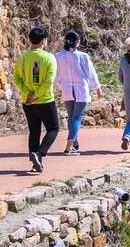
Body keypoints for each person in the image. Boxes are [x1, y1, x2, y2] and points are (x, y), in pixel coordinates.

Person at [12, 25, 59, 173]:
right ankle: (39, 154)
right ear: (44, 41)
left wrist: (28, 93)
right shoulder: (49, 58)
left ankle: (35, 163)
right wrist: (36, 94)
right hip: (45, 100)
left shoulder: (23, 58)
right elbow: (48, 81)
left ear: (30, 40)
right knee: (53, 128)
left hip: (27, 102)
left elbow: (16, 78)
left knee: (34, 131)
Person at [55, 30, 102, 156]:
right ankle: (69, 147)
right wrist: (97, 87)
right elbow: (91, 73)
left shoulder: (58, 56)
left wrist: (55, 87)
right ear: (76, 42)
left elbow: (56, 75)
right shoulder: (82, 56)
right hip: (81, 90)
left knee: (71, 117)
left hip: (67, 90)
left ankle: (75, 142)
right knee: (77, 118)